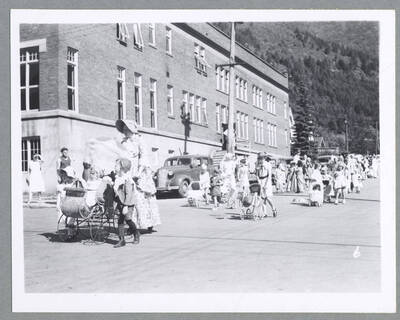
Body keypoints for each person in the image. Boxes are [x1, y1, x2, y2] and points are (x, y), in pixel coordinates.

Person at [113, 158, 140, 248]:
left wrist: (125, 206)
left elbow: (128, 194)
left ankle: (136, 233)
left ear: (122, 168)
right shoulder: (118, 178)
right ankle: (122, 240)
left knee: (128, 220)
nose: (115, 167)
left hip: (127, 203)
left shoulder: (127, 179)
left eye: (116, 165)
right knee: (120, 221)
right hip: (120, 203)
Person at [256, 152, 277, 217]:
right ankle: (265, 213)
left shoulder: (268, 165)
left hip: (266, 181)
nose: (260, 160)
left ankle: (273, 208)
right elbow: (257, 174)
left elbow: (269, 175)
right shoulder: (257, 165)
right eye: (259, 158)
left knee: (267, 197)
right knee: (262, 198)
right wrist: (259, 182)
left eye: (261, 158)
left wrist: (265, 184)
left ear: (264, 158)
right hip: (261, 180)